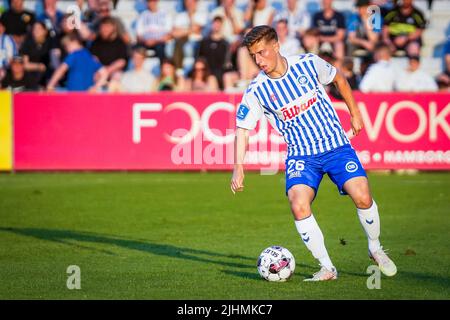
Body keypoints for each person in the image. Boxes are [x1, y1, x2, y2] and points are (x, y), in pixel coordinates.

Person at [230, 25, 397, 281]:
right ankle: (327, 267)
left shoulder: (308, 64)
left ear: (276, 45)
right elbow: (242, 129)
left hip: (336, 146)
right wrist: (238, 166)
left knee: (363, 196)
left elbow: (339, 79)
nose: (258, 60)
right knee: (298, 205)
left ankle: (374, 247)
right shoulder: (256, 90)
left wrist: (355, 113)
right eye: (254, 56)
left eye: (262, 53)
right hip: (301, 156)